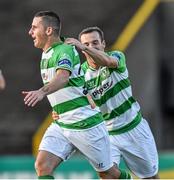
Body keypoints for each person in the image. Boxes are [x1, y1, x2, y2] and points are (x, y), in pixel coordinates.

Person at [22, 11, 131, 179]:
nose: (30, 32)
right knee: (43, 165)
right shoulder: (46, 53)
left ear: (49, 30)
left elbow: (63, 77)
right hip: (62, 123)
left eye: (34, 27)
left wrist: (41, 92)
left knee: (108, 174)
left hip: (85, 124)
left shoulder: (64, 50)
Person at [64, 26, 159, 179]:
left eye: (95, 42)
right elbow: (79, 102)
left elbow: (107, 61)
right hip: (107, 134)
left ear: (103, 44)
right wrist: (61, 111)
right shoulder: (81, 74)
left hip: (133, 128)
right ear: (81, 50)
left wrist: (84, 48)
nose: (91, 46)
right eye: (86, 44)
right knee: (107, 174)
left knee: (150, 177)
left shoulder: (116, 56)